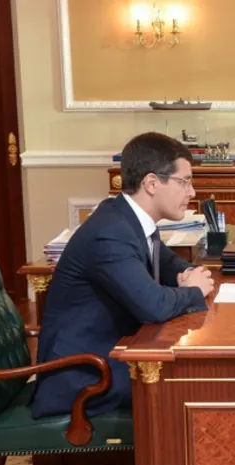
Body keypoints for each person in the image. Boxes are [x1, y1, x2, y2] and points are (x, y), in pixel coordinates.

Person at [30, 132, 214, 419]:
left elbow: (166, 262)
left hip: (112, 352)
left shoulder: (126, 217)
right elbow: (153, 305)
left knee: (198, 373)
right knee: (198, 381)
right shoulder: (110, 232)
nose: (191, 192)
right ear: (151, 183)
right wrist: (194, 291)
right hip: (86, 375)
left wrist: (188, 272)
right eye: (185, 181)